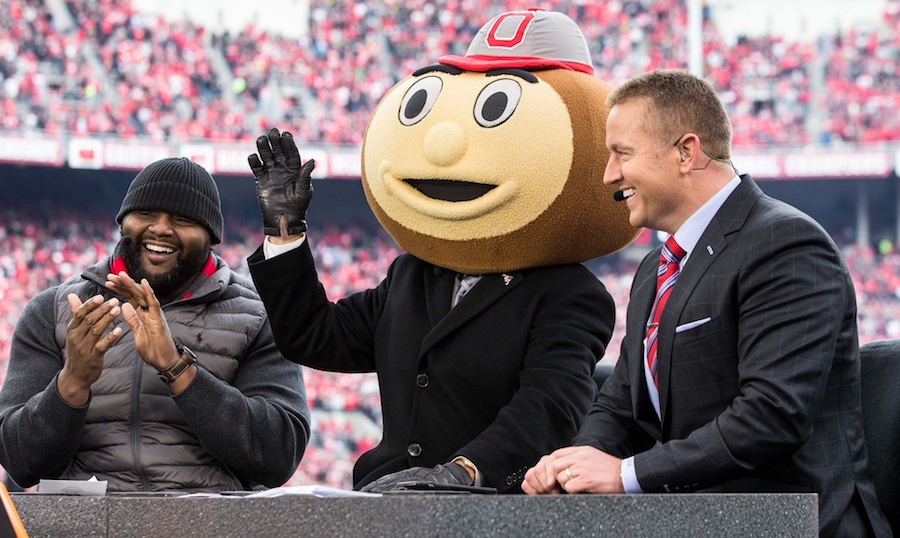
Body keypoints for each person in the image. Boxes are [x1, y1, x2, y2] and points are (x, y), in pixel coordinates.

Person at [246, 9, 639, 493]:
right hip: (387, 495)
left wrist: (464, 472)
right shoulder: (412, 275)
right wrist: (285, 231)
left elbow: (549, 405)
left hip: (488, 503)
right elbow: (313, 335)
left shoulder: (569, 294)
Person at [522, 69, 891, 537]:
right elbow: (621, 403)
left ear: (686, 151)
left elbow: (770, 416)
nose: (608, 175)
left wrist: (625, 475)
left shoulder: (786, 243)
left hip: (791, 523)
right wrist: (573, 467)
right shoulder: (655, 266)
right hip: (693, 521)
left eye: (622, 154)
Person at [0, 157, 311, 492]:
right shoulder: (53, 311)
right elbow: (20, 462)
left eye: (182, 219)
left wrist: (177, 368)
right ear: (123, 224)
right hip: (85, 523)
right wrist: (72, 383)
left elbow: (279, 456)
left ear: (211, 237)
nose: (161, 228)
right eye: (145, 214)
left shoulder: (259, 316)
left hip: (209, 525)